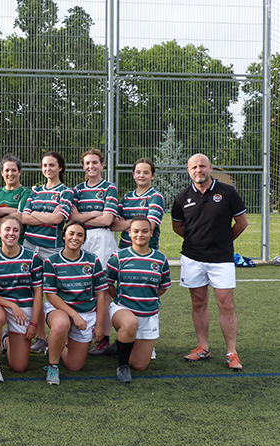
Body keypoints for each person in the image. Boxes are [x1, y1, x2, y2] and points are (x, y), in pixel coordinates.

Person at [171, 153, 248, 371]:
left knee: (226, 304)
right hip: (192, 258)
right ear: (189, 171)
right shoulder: (182, 197)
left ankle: (231, 352)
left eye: (202, 166)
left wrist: (223, 240)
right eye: (194, 167)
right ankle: (202, 347)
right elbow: (178, 227)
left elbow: (242, 223)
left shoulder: (227, 192)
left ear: (210, 168)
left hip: (221, 259)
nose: (199, 170)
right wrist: (196, 241)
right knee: (198, 303)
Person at [20, 151, 75, 355]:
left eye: (52, 165)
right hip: (29, 246)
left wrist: (35, 214)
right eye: (45, 166)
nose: (48, 169)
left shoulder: (66, 192)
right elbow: (24, 219)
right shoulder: (35, 192)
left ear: (60, 167)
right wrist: (43, 216)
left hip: (51, 249)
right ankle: (41, 338)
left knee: (55, 292)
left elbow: (57, 220)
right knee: (35, 291)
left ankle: (66, 337)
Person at [106, 216, 170, 383]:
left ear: (151, 233)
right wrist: (120, 299)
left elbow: (162, 287)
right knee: (129, 323)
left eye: (144, 231)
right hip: (122, 308)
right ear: (129, 233)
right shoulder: (119, 256)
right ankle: (122, 366)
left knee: (140, 365)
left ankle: (121, 344)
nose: (139, 235)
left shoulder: (160, 259)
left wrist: (145, 298)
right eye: (135, 231)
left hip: (149, 313)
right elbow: (108, 284)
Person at [43, 220, 107, 385]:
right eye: (71, 233)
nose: (75, 237)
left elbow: (101, 295)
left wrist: (99, 326)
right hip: (60, 309)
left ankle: (55, 346)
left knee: (74, 366)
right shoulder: (52, 261)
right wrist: (74, 315)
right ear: (63, 236)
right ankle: (53, 365)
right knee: (61, 323)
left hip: (86, 313)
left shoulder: (93, 260)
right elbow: (51, 295)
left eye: (80, 235)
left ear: (84, 239)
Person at [0, 214, 44, 383]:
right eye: (7, 229)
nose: (11, 233)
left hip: (24, 309)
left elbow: (38, 292)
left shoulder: (32, 258)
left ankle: (6, 340)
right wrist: (12, 305)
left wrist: (34, 323)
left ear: (20, 233)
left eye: (15, 230)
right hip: (0, 304)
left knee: (19, 367)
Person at [69, 148, 119, 357]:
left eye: (95, 162)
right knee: (80, 288)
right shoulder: (77, 190)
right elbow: (71, 220)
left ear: (102, 165)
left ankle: (104, 338)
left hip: (102, 240)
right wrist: (94, 213)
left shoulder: (109, 188)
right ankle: (78, 335)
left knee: (105, 289)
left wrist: (82, 216)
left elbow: (108, 220)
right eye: (87, 163)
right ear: (83, 166)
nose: (91, 166)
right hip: (79, 239)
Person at [112, 158, 165, 251]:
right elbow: (113, 225)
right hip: (124, 250)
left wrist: (125, 224)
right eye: (138, 172)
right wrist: (139, 222)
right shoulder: (126, 197)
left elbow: (149, 226)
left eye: (146, 173)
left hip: (147, 251)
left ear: (153, 176)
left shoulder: (155, 197)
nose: (141, 175)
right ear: (133, 175)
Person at [0, 154, 32, 251]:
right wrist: (9, 210)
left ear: (19, 172)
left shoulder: (25, 192)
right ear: (2, 172)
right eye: (7, 170)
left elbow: (20, 217)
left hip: (16, 245)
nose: (10, 173)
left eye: (14, 170)